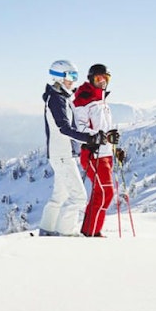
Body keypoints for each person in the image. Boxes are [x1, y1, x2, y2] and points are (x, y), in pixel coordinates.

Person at [37, 59, 104, 237]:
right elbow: (64, 128)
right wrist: (89, 138)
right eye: (71, 75)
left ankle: (46, 230)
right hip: (62, 155)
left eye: (75, 75)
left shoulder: (60, 97)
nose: (73, 79)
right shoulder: (56, 99)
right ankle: (65, 234)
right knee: (79, 197)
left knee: (59, 196)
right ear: (59, 76)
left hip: (61, 154)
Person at [74, 63, 124, 237]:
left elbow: (103, 127)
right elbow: (80, 128)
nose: (102, 82)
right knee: (105, 193)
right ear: (91, 79)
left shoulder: (102, 100)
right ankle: (91, 233)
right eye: (98, 78)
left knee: (101, 194)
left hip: (105, 154)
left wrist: (113, 143)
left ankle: (91, 230)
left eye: (106, 78)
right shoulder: (83, 99)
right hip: (93, 153)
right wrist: (99, 137)